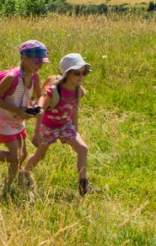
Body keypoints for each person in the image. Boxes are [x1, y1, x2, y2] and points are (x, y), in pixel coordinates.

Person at [0, 40, 47, 188]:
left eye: (42, 62)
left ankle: (8, 184)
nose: (40, 65)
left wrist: (38, 107)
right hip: (3, 120)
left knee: (22, 154)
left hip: (18, 120)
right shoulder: (11, 78)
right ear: (24, 59)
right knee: (15, 155)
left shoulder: (34, 77)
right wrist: (19, 111)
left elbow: (39, 96)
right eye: (37, 61)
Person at [23, 53, 99, 196]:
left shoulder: (78, 91)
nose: (81, 76)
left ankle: (83, 185)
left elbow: (74, 109)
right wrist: (36, 132)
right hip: (48, 127)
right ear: (67, 73)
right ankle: (24, 173)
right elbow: (40, 111)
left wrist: (76, 129)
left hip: (65, 126)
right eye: (77, 73)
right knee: (40, 155)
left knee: (83, 149)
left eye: (84, 73)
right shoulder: (53, 92)